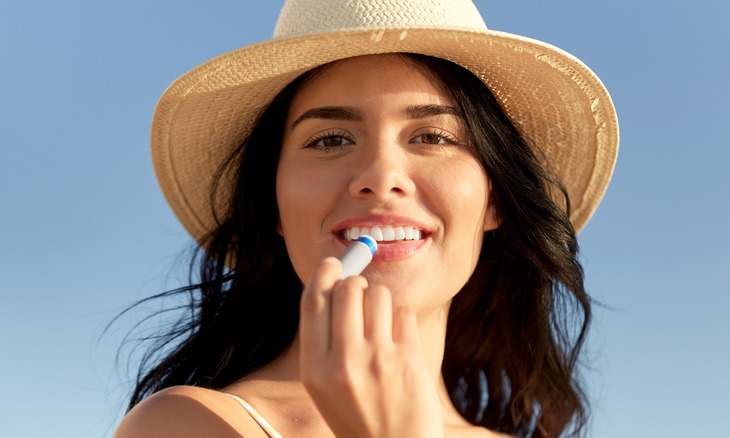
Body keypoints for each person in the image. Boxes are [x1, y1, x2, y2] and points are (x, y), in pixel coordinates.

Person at [114, 0, 618, 437]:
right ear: (272, 206)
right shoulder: (190, 426)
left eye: (432, 137)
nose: (380, 176)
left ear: (495, 199)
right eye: (331, 139)